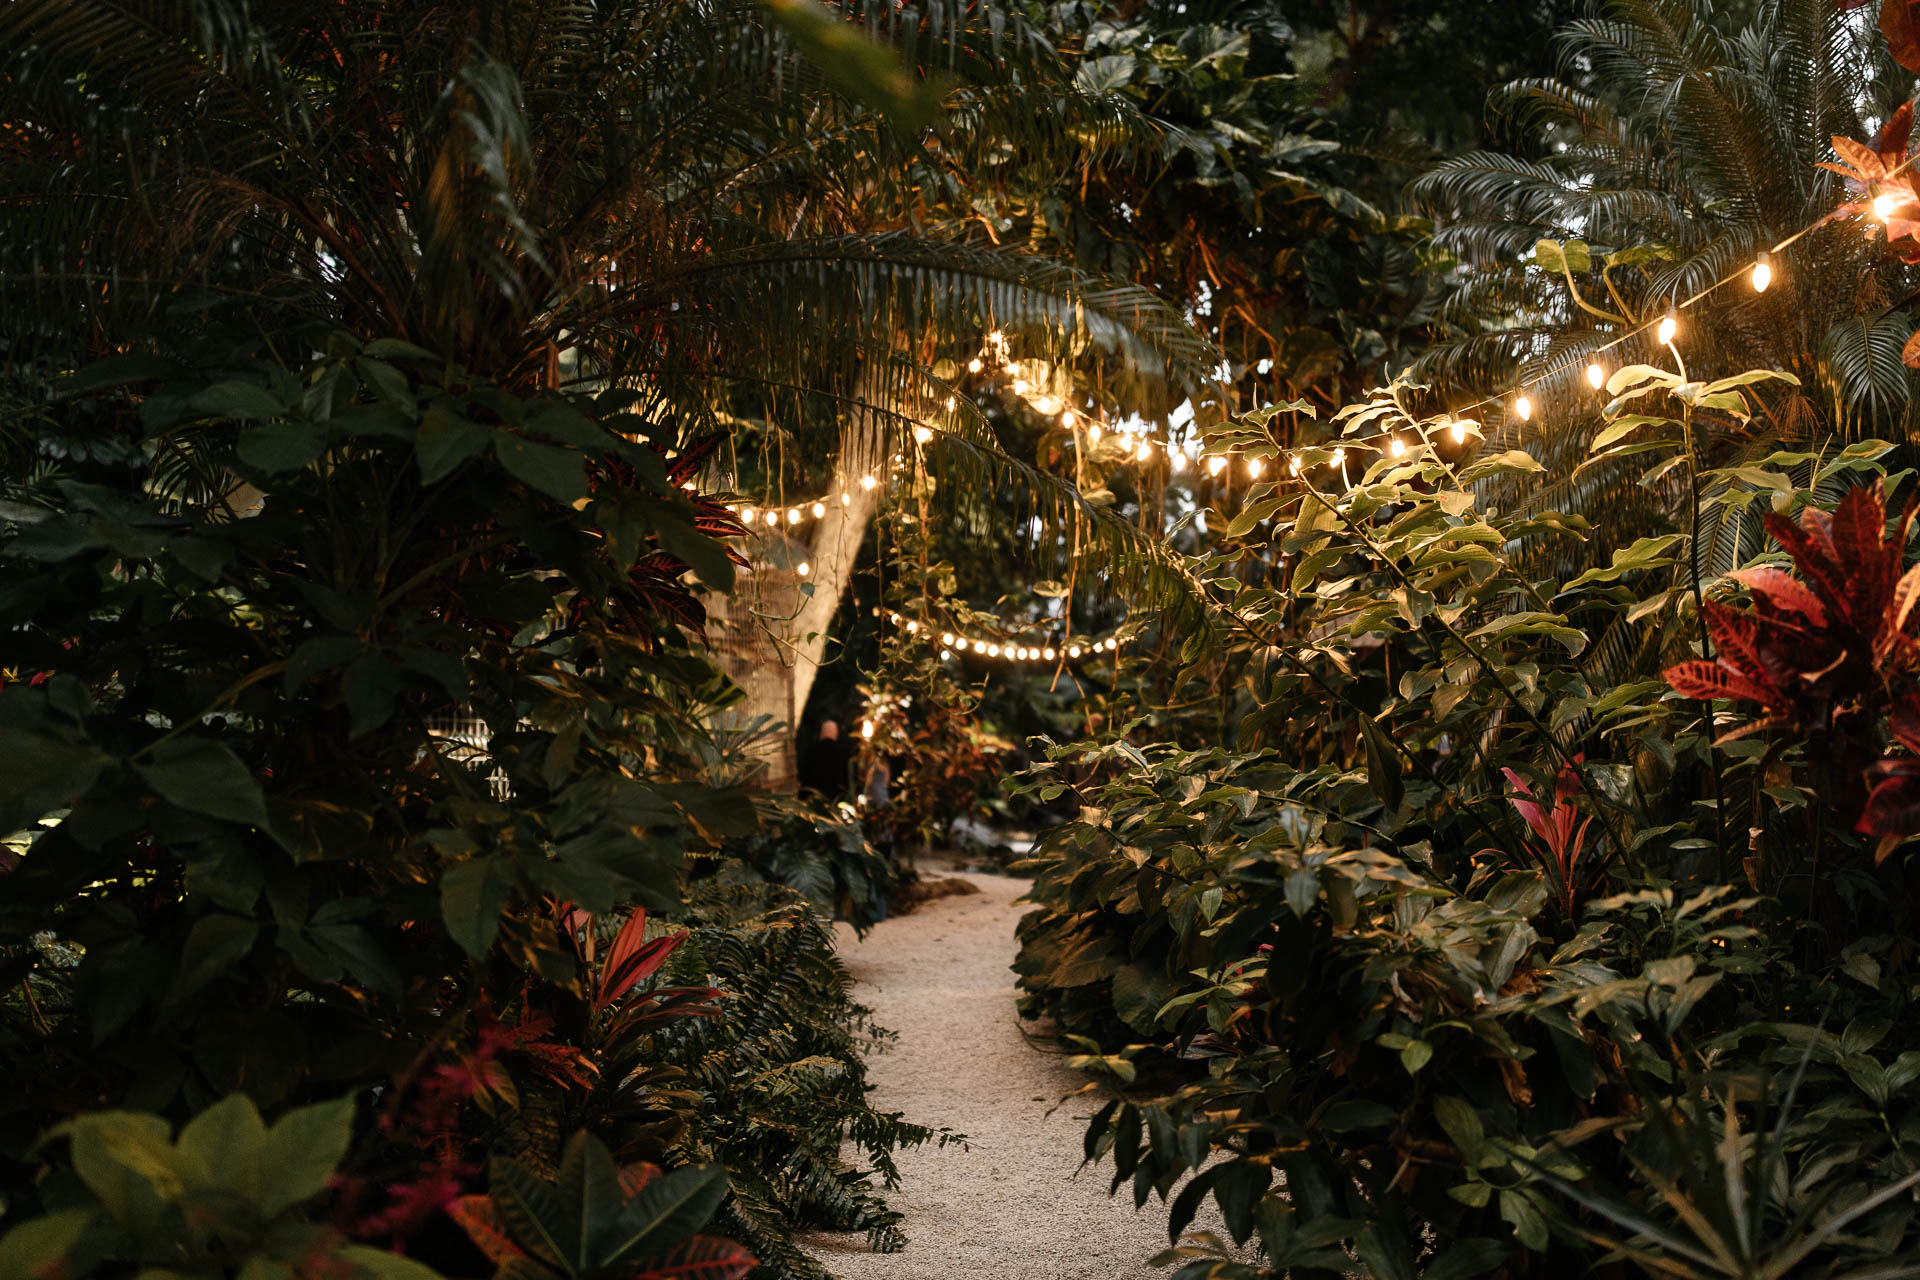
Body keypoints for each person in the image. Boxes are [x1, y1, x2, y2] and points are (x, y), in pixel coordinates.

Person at [798, 718, 854, 800]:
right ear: (836, 733)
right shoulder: (844, 753)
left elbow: (802, 775)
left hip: (811, 799)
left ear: (821, 733)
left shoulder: (810, 751)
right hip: (835, 800)